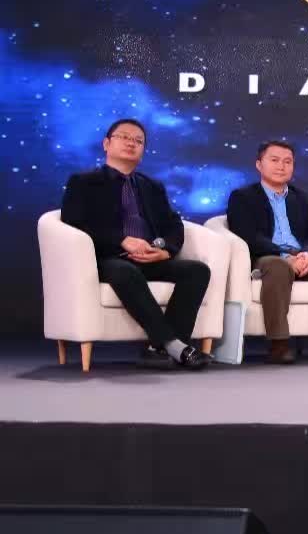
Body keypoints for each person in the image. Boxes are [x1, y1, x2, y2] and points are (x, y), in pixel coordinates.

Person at [60, 118, 213, 370]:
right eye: (124, 137)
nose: (131, 143)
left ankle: (157, 348)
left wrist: (164, 250)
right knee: (125, 271)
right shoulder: (83, 181)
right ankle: (175, 346)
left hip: (149, 258)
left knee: (197, 270)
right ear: (106, 144)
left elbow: (173, 224)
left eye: (138, 140)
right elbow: (73, 222)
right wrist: (121, 240)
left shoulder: (152, 186)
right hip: (109, 257)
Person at [226, 140, 308, 363]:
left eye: (288, 162)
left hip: (302, 256)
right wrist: (284, 256)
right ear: (259, 164)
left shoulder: (305, 199)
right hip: (267, 256)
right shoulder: (243, 197)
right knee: (278, 266)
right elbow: (247, 234)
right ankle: (278, 344)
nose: (281, 166)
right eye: (274, 160)